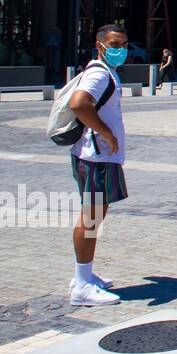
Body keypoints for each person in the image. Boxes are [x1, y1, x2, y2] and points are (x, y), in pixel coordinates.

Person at [66, 24, 131, 306]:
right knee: (91, 217)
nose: (120, 50)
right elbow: (79, 104)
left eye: (124, 44)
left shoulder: (107, 72)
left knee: (95, 215)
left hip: (101, 157)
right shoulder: (98, 73)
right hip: (96, 157)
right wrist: (105, 133)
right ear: (100, 45)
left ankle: (86, 274)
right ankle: (81, 285)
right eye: (115, 44)